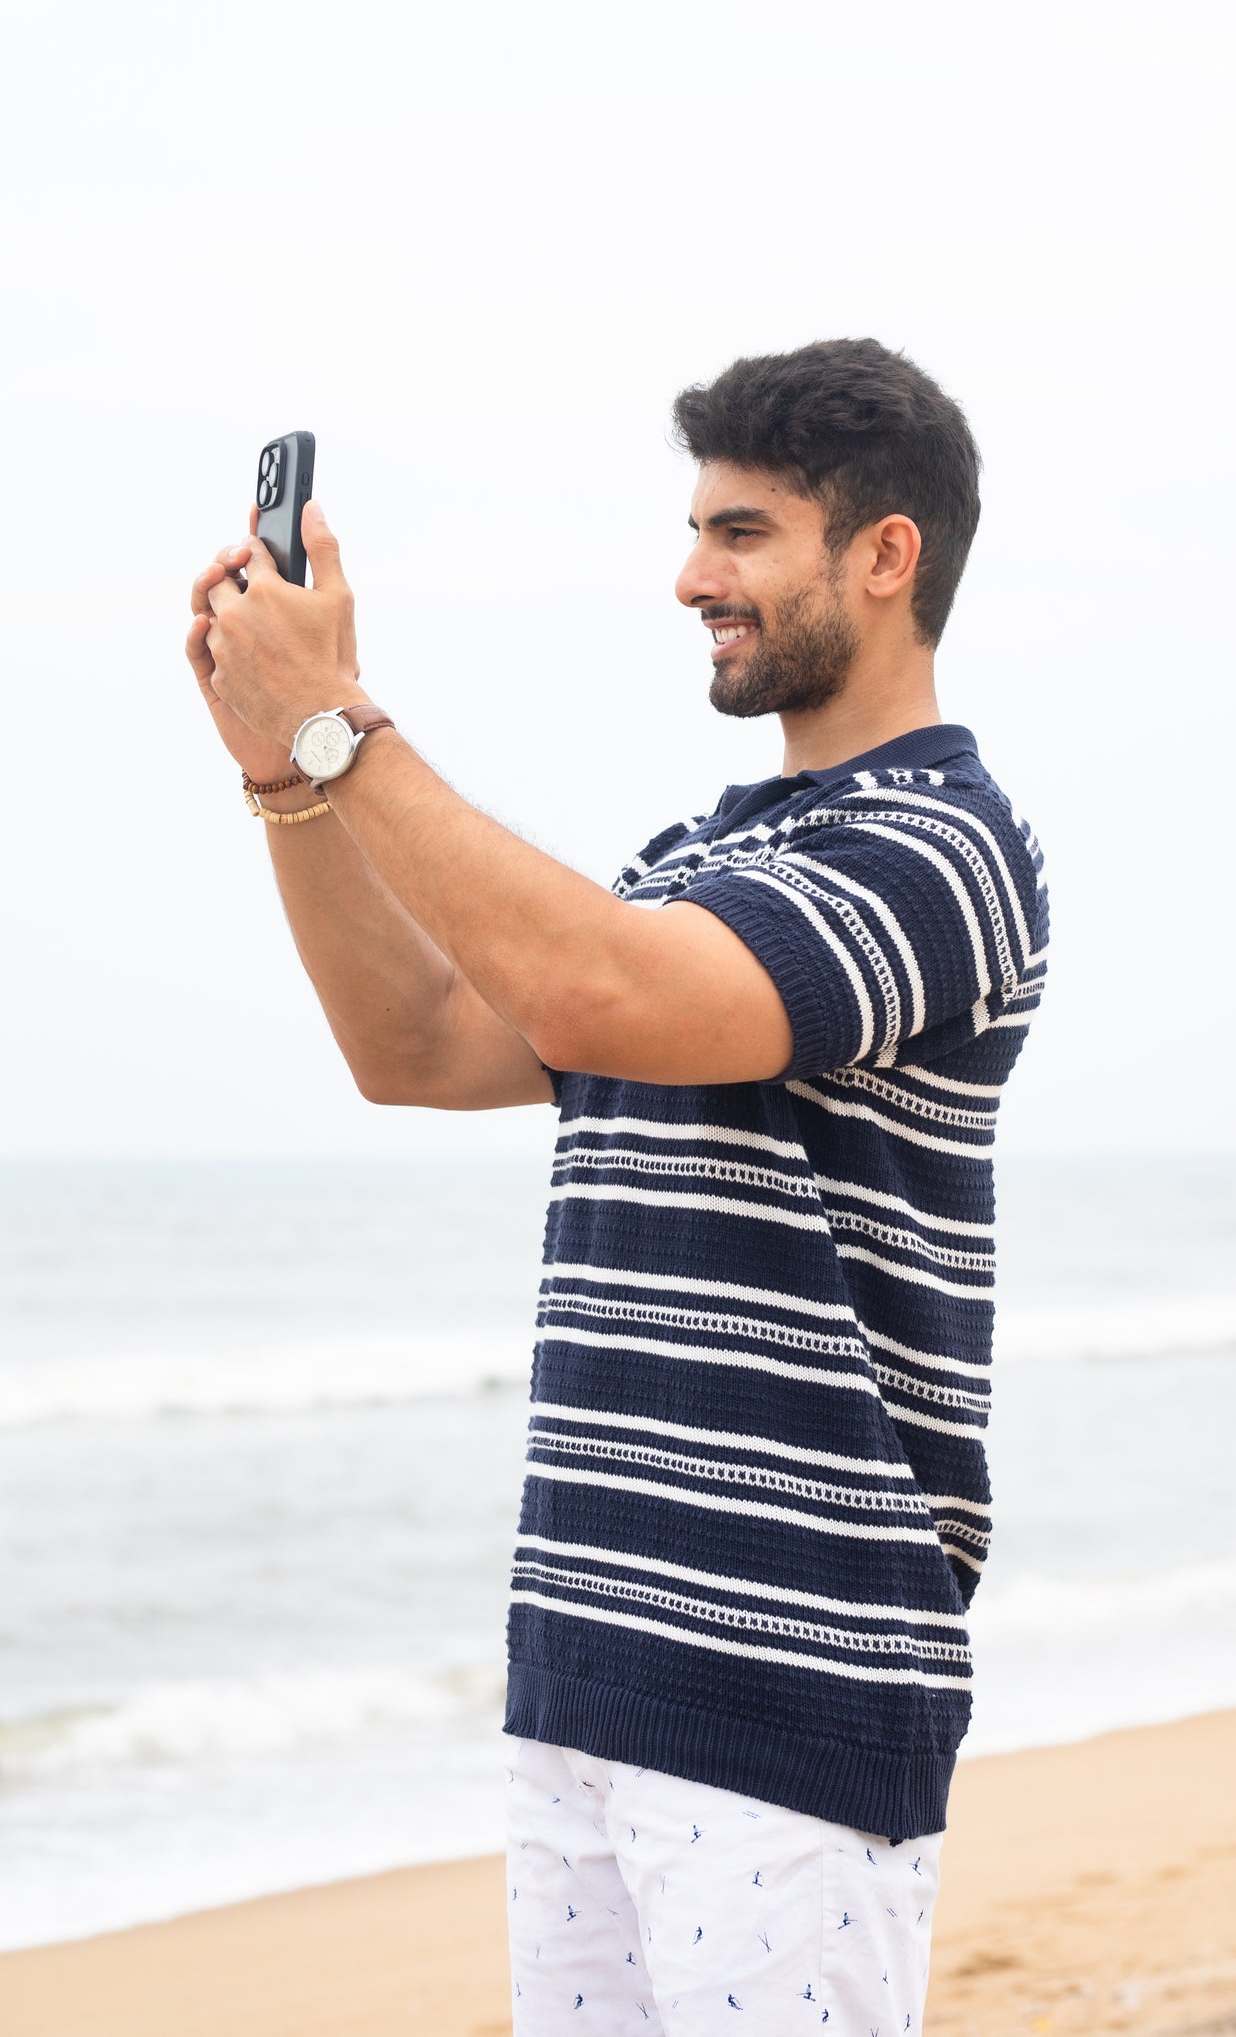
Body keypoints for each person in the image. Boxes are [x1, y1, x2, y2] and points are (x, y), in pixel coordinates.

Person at [187, 338, 1049, 2034]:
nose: (689, 578)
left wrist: (341, 719)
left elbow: (606, 997)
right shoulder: (702, 860)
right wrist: (282, 775)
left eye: (739, 535)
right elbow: (418, 1045)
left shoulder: (943, 850)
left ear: (885, 555)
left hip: (787, 1680)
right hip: (589, 1654)